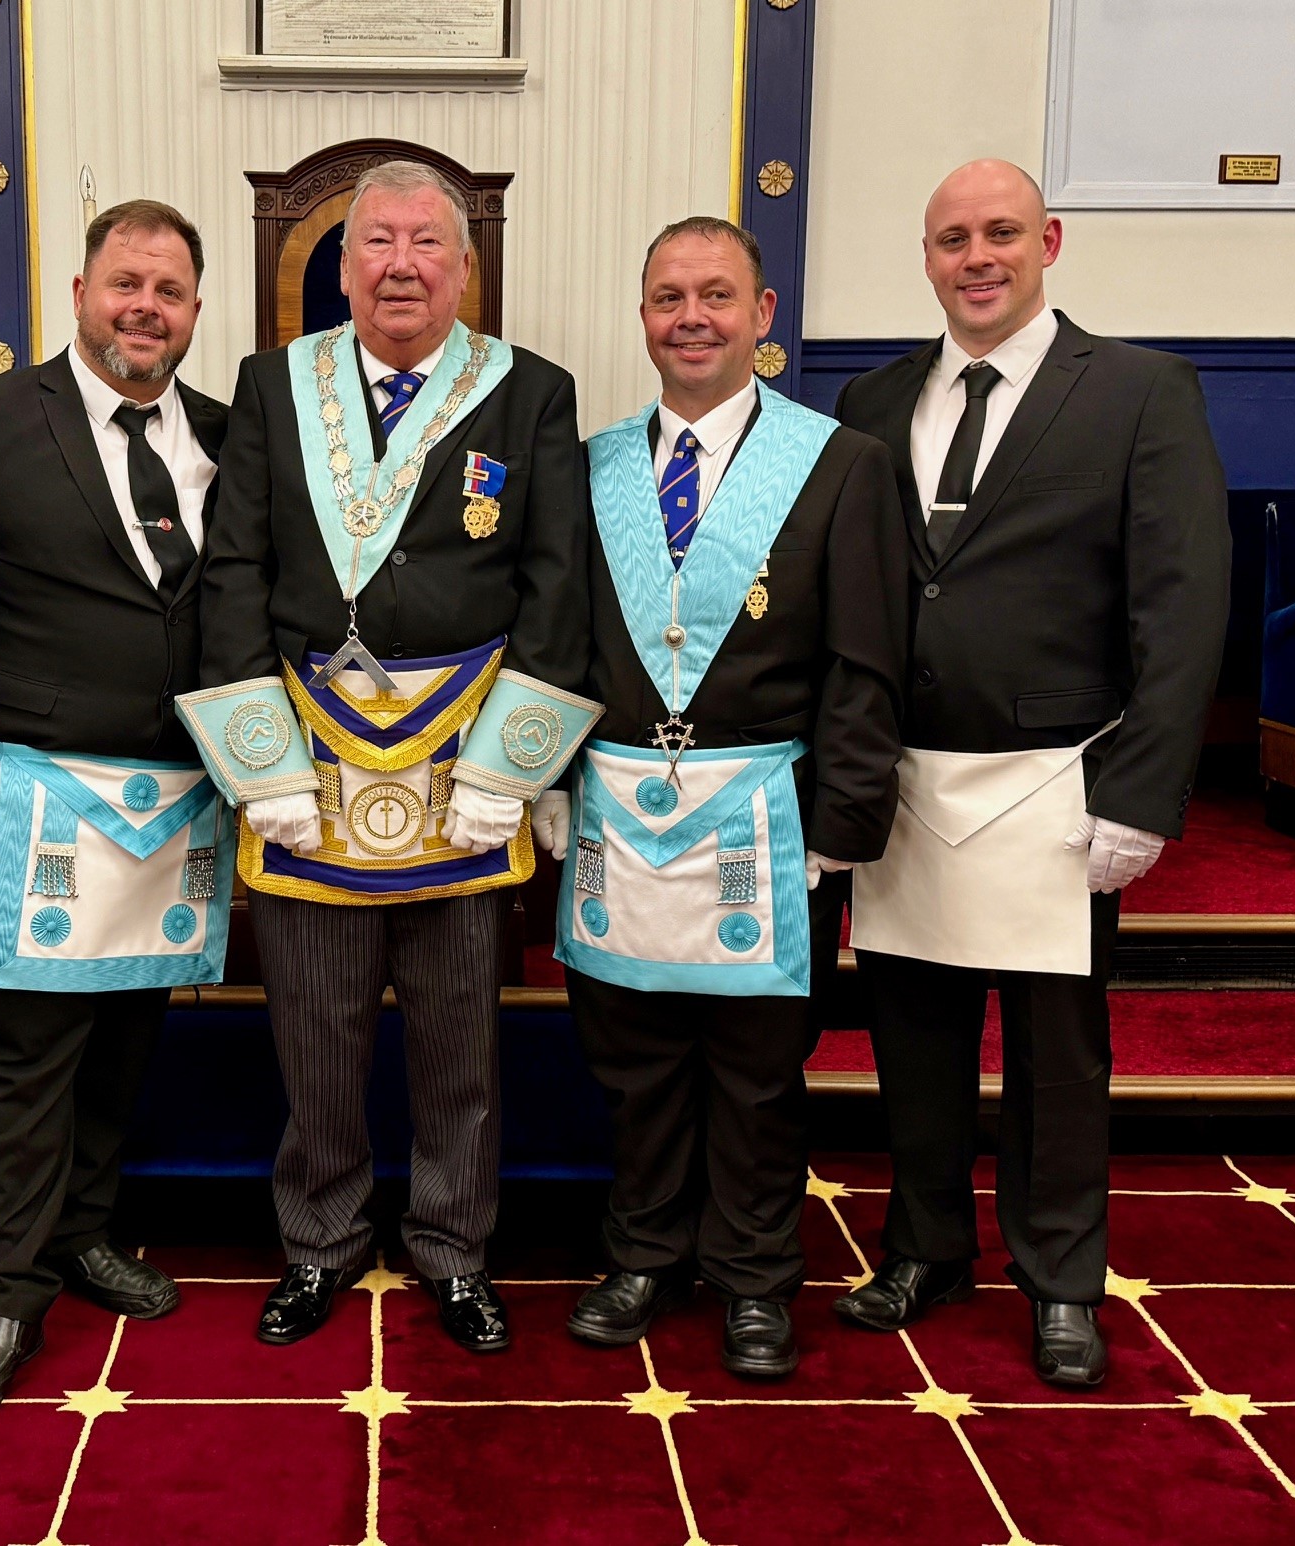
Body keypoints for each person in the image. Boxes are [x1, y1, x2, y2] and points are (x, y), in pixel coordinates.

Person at [179, 160, 598, 1353]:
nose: (401, 262)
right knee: (315, 1028)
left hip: (466, 758)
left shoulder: (530, 393)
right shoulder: (275, 385)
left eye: (427, 242)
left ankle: (455, 1248)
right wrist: (257, 764)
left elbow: (556, 582)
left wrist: (513, 772)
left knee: (463, 1032)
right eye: (378, 241)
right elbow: (238, 573)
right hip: (309, 753)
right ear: (343, 262)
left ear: (464, 266)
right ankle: (319, 1241)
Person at [833, 159, 1230, 1384]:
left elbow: (1184, 602)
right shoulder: (875, 395)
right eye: (952, 237)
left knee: (1059, 1058)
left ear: (1048, 240)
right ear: (929, 255)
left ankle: (1062, 1278)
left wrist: (1143, 793)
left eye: (1001, 232)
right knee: (915, 1038)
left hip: (1062, 784)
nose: (978, 256)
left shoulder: (1138, 391)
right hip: (905, 779)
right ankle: (926, 1244)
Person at [554, 217, 905, 1377]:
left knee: (758, 1070)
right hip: (616, 807)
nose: (690, 317)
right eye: (667, 297)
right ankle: (646, 1254)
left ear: (762, 316)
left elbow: (865, 656)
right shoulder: (590, 464)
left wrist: (843, 822)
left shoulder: (839, 460)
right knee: (633, 1057)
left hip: (768, 813)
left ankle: (756, 1276)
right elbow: (559, 645)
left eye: (716, 295)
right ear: (643, 316)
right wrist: (546, 782)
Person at [0, 200, 230, 1419]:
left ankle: (85, 1232)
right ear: (81, 290)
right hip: (39, 785)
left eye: (170, 290)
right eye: (125, 283)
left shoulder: (222, 429)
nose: (145, 307)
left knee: (127, 1026)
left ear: (196, 312)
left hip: (177, 792)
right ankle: (2, 1288)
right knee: (29, 1047)